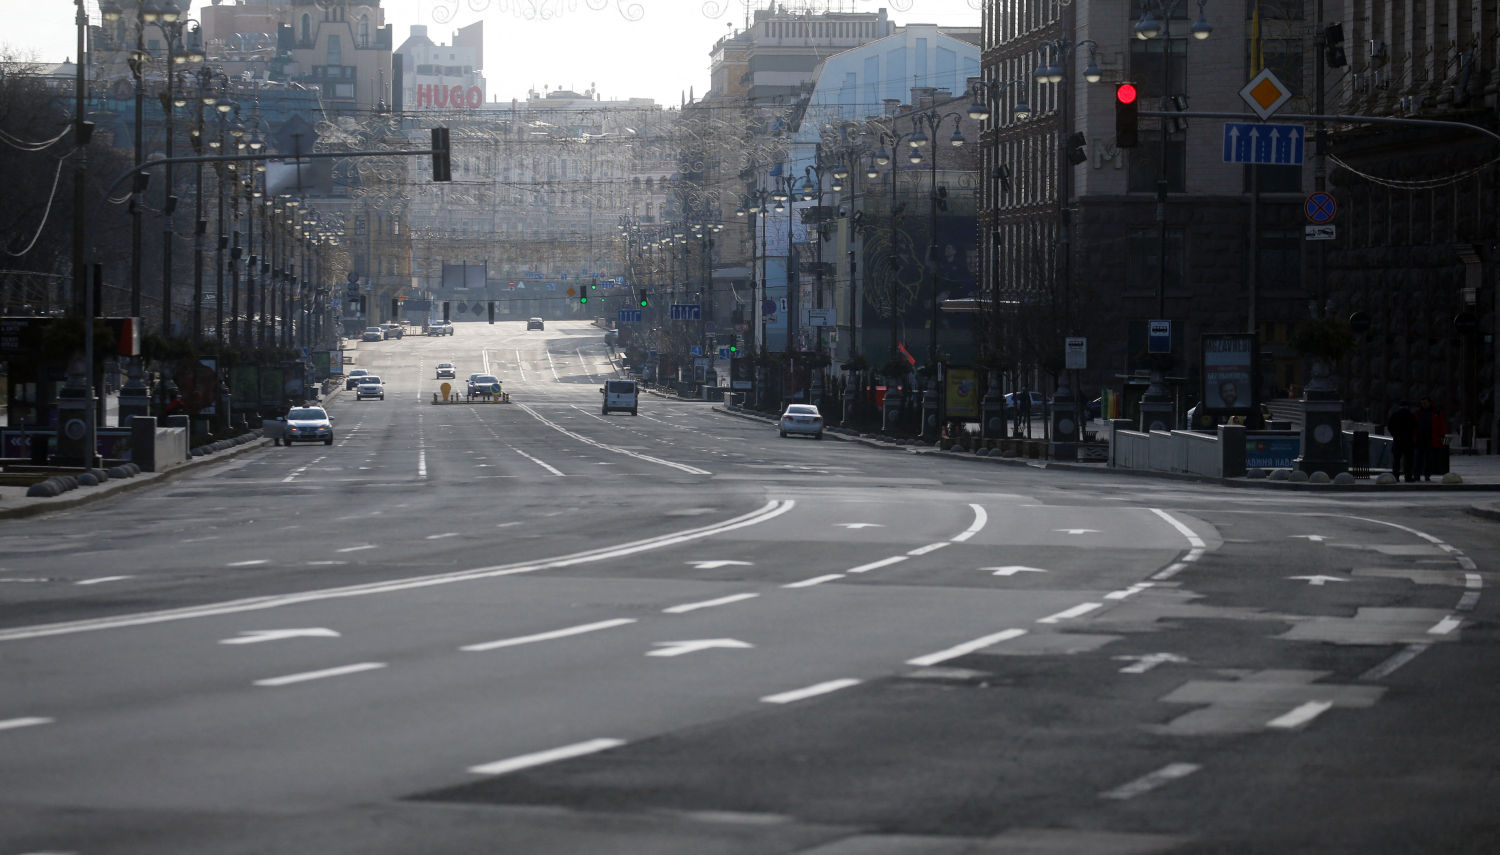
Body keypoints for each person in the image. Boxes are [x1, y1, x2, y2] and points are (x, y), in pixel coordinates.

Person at [1412, 397, 1449, 482]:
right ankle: (1417, 475)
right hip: (1419, 440)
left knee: (1429, 459)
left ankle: (1427, 475)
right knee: (1418, 459)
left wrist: (1441, 436)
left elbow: (1441, 425)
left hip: (1431, 440)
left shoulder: (1437, 412)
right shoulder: (1418, 412)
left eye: (1425, 403)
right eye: (1422, 403)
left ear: (1429, 403)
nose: (1423, 405)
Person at [1385, 400, 1416, 482]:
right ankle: (1408, 477)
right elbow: (1415, 427)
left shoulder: (1395, 415)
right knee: (1408, 460)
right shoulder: (1411, 415)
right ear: (1407, 406)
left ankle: (1396, 476)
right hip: (1408, 440)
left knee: (1396, 460)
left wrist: (1394, 434)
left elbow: (1389, 426)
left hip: (1398, 440)